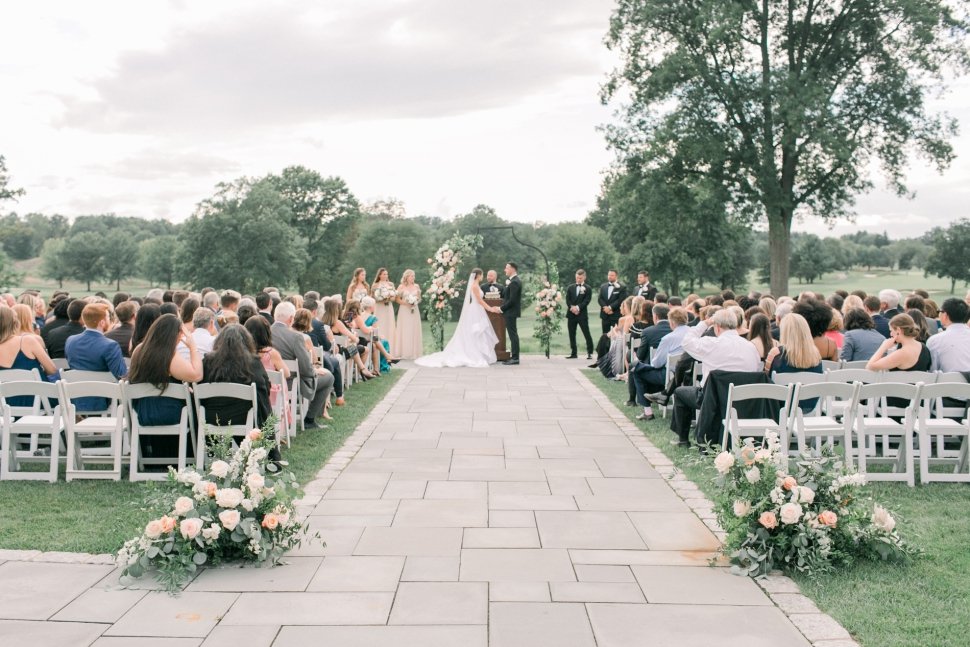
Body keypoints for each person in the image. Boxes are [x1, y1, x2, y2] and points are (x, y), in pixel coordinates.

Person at [664, 309, 762, 447]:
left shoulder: (711, 344)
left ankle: (683, 440)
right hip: (744, 399)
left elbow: (686, 342)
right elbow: (756, 370)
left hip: (712, 399)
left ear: (717, 327)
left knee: (680, 392)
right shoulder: (750, 347)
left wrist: (704, 323)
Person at [127, 314, 203, 459]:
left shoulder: (138, 350)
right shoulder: (169, 355)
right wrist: (193, 347)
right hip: (169, 414)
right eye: (180, 333)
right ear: (173, 334)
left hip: (143, 413)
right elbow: (196, 375)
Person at [417, 268, 499, 368]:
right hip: (475, 310)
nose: (483, 276)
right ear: (478, 275)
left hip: (478, 310)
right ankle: (474, 354)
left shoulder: (476, 285)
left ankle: (480, 353)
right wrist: (490, 309)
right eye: (482, 275)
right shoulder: (475, 286)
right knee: (476, 331)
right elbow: (479, 301)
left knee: (478, 332)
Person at [272, 301, 334, 429]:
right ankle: (309, 420)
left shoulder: (264, 331)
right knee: (329, 377)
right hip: (291, 382)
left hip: (268, 380)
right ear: (290, 319)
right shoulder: (295, 337)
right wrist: (314, 371)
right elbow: (306, 368)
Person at [200, 324, 272, 432]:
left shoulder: (207, 361)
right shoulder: (253, 362)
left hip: (211, 417)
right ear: (247, 342)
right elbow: (265, 387)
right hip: (243, 418)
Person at [64, 303, 129, 412]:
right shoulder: (110, 345)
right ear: (102, 322)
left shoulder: (71, 341)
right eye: (108, 317)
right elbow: (121, 374)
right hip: (104, 399)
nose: (110, 320)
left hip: (76, 398)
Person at [632, 307, 689, 421]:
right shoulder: (694, 332)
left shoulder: (668, 338)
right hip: (691, 374)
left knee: (637, 371)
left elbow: (657, 364)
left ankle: (648, 412)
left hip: (671, 376)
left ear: (671, 322)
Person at [0, 306, 60, 406]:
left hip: (5, 404)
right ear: (14, 323)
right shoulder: (27, 341)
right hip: (39, 401)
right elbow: (52, 370)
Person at [244, 315, 291, 413]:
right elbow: (286, 374)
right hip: (270, 397)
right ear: (267, 333)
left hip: (249, 394)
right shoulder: (271, 353)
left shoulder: (243, 352)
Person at [322, 299, 376, 379]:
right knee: (358, 348)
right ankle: (357, 374)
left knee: (352, 347)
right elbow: (356, 339)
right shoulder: (338, 323)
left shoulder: (322, 321)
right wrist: (353, 334)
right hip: (338, 351)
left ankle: (362, 371)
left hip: (326, 350)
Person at [865, 313, 931, 372]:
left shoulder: (901, 353)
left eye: (891, 330)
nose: (890, 334)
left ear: (898, 330)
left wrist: (883, 346)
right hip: (919, 385)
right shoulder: (924, 348)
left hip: (901, 385)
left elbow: (870, 367)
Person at [927, 298, 970, 372]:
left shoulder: (935, 340)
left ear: (945, 315)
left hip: (946, 382)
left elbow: (932, 370)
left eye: (939, 311)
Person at [496, 262, 522, 365]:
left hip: (511, 312)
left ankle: (515, 358)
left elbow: (512, 300)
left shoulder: (515, 282)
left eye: (506, 268)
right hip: (510, 312)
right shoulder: (513, 281)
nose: (504, 270)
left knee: (513, 335)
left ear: (512, 269)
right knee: (512, 334)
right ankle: (514, 356)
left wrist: (501, 308)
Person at [393, 269, 423, 360]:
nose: (413, 277)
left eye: (414, 276)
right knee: (405, 329)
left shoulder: (416, 286)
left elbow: (419, 299)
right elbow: (396, 299)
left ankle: (414, 352)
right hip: (404, 310)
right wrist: (407, 303)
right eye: (411, 276)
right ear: (406, 277)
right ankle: (404, 351)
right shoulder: (401, 287)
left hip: (414, 310)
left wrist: (415, 302)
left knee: (414, 329)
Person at [565, 269, 594, 360]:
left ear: (584, 277)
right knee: (571, 334)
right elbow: (567, 299)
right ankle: (574, 353)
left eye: (580, 278)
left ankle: (590, 352)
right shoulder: (570, 287)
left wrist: (577, 308)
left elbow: (587, 301)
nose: (578, 279)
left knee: (586, 333)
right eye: (577, 278)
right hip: (571, 314)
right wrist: (572, 307)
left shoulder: (588, 288)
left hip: (582, 315)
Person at [370, 268, 397, 355]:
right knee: (380, 325)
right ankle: (380, 347)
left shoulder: (390, 284)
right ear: (379, 275)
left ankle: (390, 348)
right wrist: (382, 299)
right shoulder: (375, 285)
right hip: (379, 307)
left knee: (389, 325)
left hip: (388, 308)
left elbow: (394, 297)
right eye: (384, 274)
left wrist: (388, 298)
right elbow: (372, 298)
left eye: (387, 274)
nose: (386, 276)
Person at [597, 269, 626, 335]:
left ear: (616, 276)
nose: (610, 276)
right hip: (605, 315)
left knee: (616, 334)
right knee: (605, 335)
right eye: (609, 275)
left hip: (615, 315)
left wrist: (610, 308)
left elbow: (620, 300)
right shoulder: (603, 286)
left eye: (612, 275)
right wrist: (605, 308)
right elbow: (600, 299)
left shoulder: (622, 287)